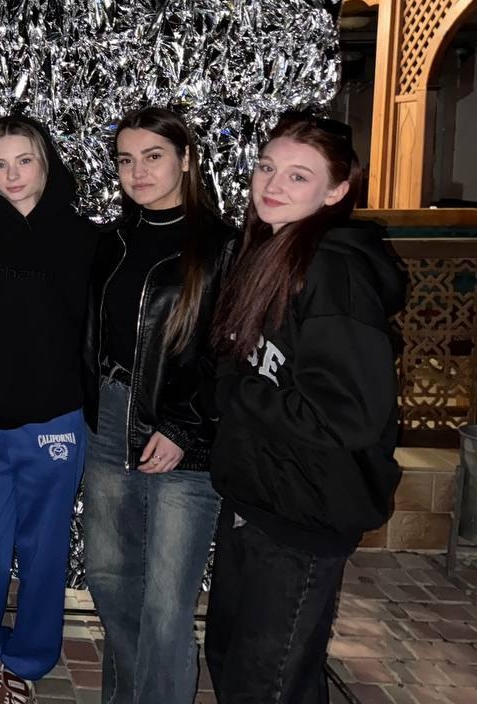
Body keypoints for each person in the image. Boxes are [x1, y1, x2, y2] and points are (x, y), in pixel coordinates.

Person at [205, 112, 405, 703]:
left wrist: (235, 391)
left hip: (303, 515)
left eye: (298, 176)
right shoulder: (272, 252)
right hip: (259, 497)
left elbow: (346, 413)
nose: (273, 185)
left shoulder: (333, 270)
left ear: (336, 191)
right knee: (244, 666)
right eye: (267, 167)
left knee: (263, 686)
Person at [79, 106, 237, 704]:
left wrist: (184, 425)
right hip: (108, 420)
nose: (137, 172)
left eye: (153, 157)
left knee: (167, 601)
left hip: (183, 437)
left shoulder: (222, 246)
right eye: (126, 160)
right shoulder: (111, 242)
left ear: (186, 159)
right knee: (109, 579)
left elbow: (231, 353)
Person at [0, 116, 98, 704]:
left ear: (46, 161)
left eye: (24, 160)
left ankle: (26, 663)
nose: (12, 175)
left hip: (53, 421)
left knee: (42, 556)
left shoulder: (85, 237)